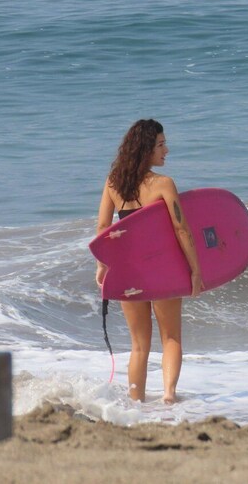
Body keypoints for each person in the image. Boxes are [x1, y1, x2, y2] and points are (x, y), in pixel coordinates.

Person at [95, 119, 203, 404]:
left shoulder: (113, 182)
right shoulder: (164, 184)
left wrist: (103, 266)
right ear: (146, 150)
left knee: (139, 345)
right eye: (160, 144)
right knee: (171, 338)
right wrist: (195, 270)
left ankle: (136, 402)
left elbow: (104, 228)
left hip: (129, 272)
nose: (166, 150)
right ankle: (168, 395)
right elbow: (181, 229)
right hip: (162, 270)